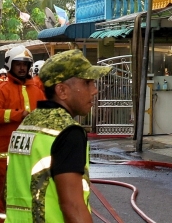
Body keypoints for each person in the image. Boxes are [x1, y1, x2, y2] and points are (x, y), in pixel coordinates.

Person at [5, 50, 109, 223]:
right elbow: (73, 206)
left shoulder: (28, 123)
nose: (94, 90)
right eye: (87, 83)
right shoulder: (68, 132)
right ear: (62, 90)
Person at [0, 46, 45, 217]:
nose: (21, 68)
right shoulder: (2, 89)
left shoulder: (37, 91)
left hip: (31, 156)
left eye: (25, 64)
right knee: (3, 199)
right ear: (10, 65)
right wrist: (16, 114)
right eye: (18, 64)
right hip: (4, 156)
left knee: (28, 196)